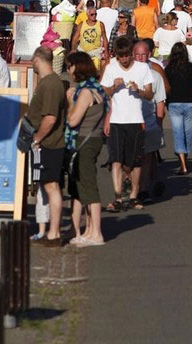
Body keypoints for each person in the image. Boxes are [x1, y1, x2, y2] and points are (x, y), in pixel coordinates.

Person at [100, 36, 154, 212]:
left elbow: (150, 94)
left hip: (136, 120)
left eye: (126, 56)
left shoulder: (142, 67)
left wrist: (138, 90)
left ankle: (133, 196)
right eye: (120, 56)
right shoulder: (110, 68)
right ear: (116, 55)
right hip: (117, 121)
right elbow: (104, 92)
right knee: (116, 160)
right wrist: (114, 87)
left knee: (135, 161)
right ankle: (117, 197)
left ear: (131, 54)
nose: (124, 59)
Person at [65, 52, 108, 247]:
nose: (68, 70)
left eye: (70, 66)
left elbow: (73, 120)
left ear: (78, 67)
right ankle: (90, 230)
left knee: (88, 186)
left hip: (84, 140)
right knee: (85, 184)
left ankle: (96, 232)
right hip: (95, 138)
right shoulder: (97, 88)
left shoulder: (84, 92)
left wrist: (70, 101)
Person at [28, 46, 68, 247]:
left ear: (37, 59)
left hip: (49, 143)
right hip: (46, 142)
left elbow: (50, 118)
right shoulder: (48, 82)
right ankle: (51, 231)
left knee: (52, 187)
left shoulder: (51, 84)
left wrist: (37, 138)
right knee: (48, 186)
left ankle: (54, 233)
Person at [134, 39, 168, 201]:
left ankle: (143, 189)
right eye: (137, 55)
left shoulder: (155, 75)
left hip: (149, 122)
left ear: (149, 55)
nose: (140, 58)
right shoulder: (126, 74)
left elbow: (160, 100)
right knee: (130, 160)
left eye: (143, 55)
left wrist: (159, 124)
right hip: (129, 122)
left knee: (147, 157)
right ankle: (134, 183)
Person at [165, 42, 192, 175]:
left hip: (174, 102)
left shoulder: (168, 69)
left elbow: (166, 87)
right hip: (190, 102)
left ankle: (183, 164)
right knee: (188, 133)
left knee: (178, 133)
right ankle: (185, 156)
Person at [71, 4, 108, 69]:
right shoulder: (81, 24)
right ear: (87, 15)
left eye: (95, 14)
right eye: (92, 14)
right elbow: (75, 39)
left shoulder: (100, 24)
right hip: (83, 52)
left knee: (94, 71)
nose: (94, 16)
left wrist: (106, 51)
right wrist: (73, 49)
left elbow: (104, 38)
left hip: (96, 52)